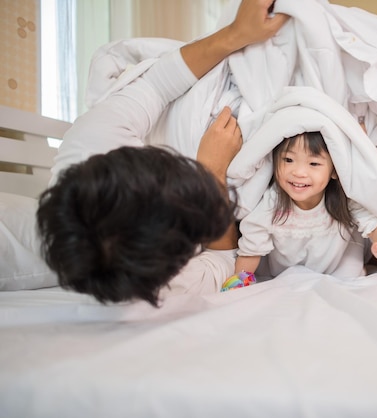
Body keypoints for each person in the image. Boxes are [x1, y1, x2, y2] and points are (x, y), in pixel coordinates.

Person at [36, 0, 289, 306]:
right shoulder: (170, 283)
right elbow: (222, 260)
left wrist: (236, 33)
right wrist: (212, 174)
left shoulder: (93, 141)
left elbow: (157, 84)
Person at [231, 131, 377, 280]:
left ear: (335, 171)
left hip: (333, 275)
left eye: (314, 163)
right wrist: (236, 287)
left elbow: (375, 224)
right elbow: (251, 250)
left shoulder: (344, 200)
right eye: (288, 160)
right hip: (282, 278)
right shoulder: (272, 202)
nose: (298, 172)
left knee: (353, 274)